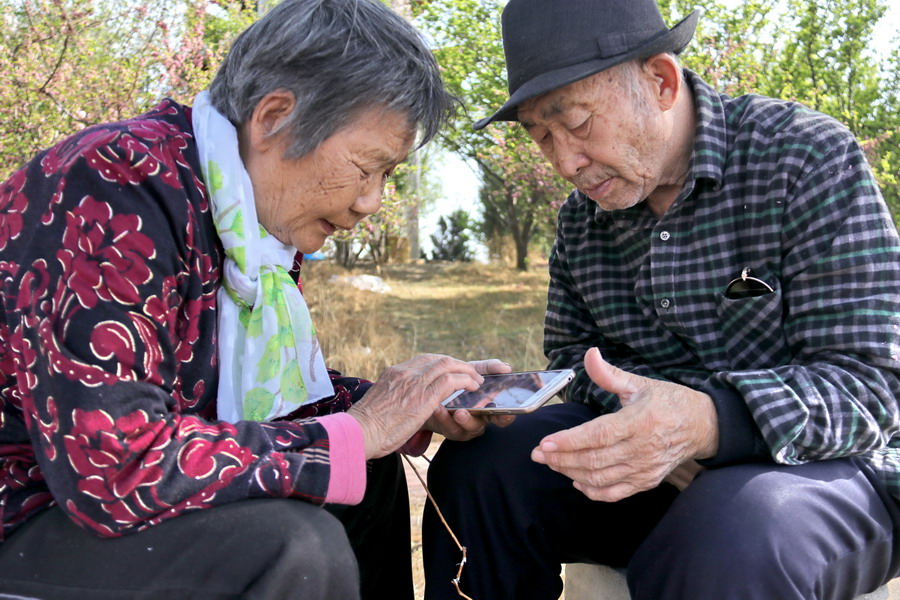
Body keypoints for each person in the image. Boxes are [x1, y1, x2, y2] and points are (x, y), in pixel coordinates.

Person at [0, 1, 514, 598]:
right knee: (295, 548)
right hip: (30, 506)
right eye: (366, 167)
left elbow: (252, 398)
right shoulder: (113, 184)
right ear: (275, 118)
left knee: (366, 471)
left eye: (388, 175)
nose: (372, 202)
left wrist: (399, 406)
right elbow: (113, 468)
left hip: (103, 501)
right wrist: (354, 430)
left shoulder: (247, 223)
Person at [422, 0, 900, 598]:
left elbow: (872, 387)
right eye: (541, 136)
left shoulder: (805, 158)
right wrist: (630, 420)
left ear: (661, 81)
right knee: (479, 470)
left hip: (818, 475)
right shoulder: (583, 221)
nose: (565, 161)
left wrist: (705, 422)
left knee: (731, 532)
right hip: (655, 474)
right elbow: (574, 360)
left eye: (576, 123)